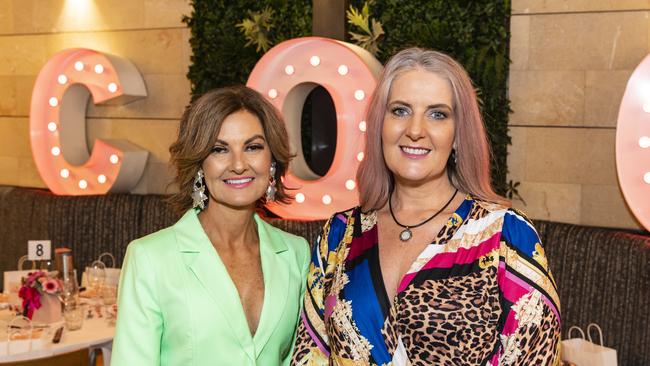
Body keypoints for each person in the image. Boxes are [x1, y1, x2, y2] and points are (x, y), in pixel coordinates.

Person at [291, 48, 561, 365]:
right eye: (400, 111)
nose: (415, 130)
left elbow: (535, 353)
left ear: (458, 135)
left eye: (437, 114)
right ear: (380, 125)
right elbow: (310, 354)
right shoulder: (339, 235)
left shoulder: (505, 235)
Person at [112, 85, 310, 366]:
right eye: (219, 150)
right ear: (199, 164)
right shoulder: (150, 259)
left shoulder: (295, 254)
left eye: (253, 147)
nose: (239, 164)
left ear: (272, 161)